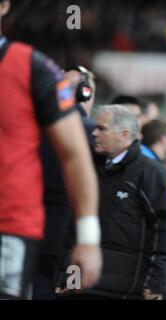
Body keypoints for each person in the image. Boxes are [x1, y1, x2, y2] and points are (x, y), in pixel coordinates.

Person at [0, 0, 101, 299]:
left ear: (4, 5)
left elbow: (75, 153)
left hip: (9, 230)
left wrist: (88, 237)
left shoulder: (33, 68)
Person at [55, 105, 166, 300]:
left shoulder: (151, 173)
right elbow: (74, 232)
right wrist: (69, 279)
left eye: (102, 129)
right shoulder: (90, 168)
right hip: (83, 289)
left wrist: (153, 283)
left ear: (125, 134)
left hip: (127, 292)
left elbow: (165, 231)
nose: (94, 133)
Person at [34, 65, 97, 299]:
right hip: (68, 241)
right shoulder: (90, 133)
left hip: (30, 234)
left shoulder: (32, 127)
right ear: (86, 93)